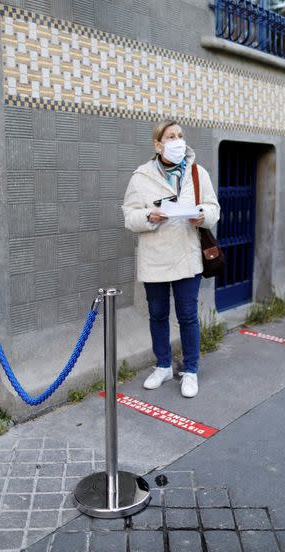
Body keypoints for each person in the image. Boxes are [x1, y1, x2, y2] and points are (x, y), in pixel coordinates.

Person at [122, 120, 220, 398]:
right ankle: (163, 365)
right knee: (158, 314)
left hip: (188, 257)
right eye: (170, 136)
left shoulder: (198, 173)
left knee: (188, 316)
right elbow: (129, 215)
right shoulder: (141, 176)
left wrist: (204, 215)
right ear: (158, 144)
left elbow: (214, 208)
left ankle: (190, 370)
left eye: (180, 135)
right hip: (154, 257)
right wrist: (148, 217)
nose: (177, 140)